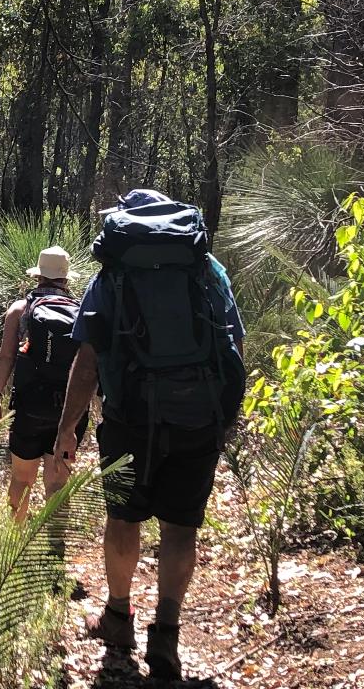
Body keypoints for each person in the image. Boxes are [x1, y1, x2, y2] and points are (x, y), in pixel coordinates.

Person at [53, 189, 245, 681]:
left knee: (123, 517)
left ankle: (118, 616)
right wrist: (224, 416)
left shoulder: (113, 272)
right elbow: (232, 343)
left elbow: (89, 357)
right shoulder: (206, 269)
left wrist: (67, 429)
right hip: (196, 416)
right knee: (181, 527)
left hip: (129, 419)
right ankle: (168, 633)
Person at [0, 246, 88, 522]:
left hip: (30, 406)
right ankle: (55, 544)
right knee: (57, 480)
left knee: (21, 478)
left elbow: (6, 357)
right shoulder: (81, 312)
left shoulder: (21, 309)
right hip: (70, 410)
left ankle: (15, 542)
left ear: (38, 277)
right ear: (66, 279)